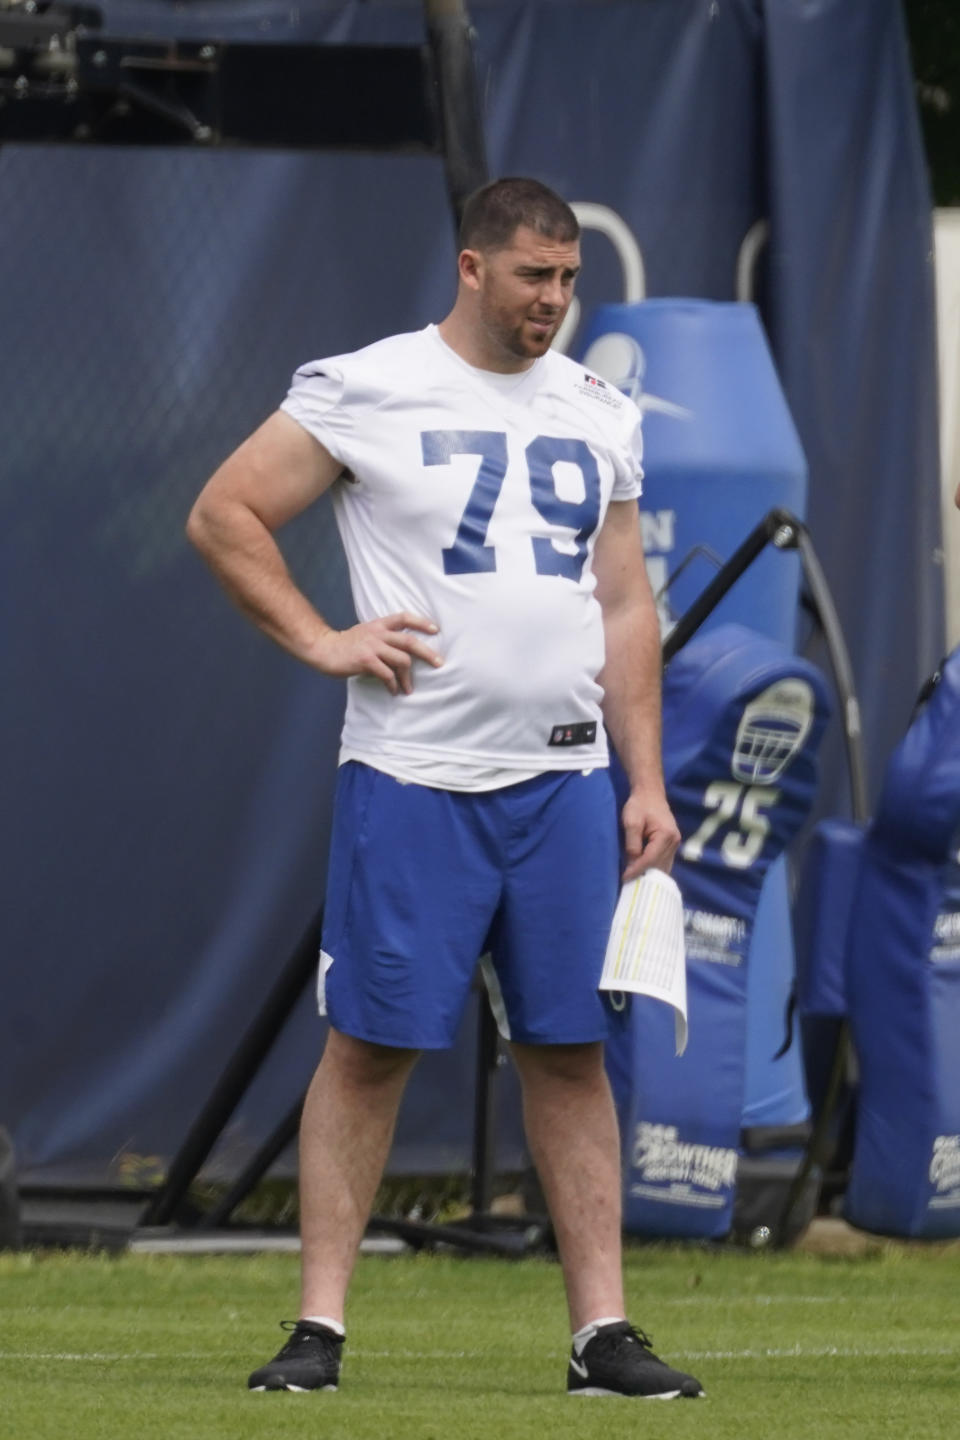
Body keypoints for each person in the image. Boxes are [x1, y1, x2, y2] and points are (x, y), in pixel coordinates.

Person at [186, 176, 703, 1401]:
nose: (555, 302)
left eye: (570, 279)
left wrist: (647, 781)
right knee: (368, 1050)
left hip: (568, 779)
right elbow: (225, 514)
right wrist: (323, 639)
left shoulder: (597, 408)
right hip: (416, 778)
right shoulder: (368, 383)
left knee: (572, 1051)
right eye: (535, 276)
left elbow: (626, 606)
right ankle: (320, 1328)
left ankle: (603, 1335)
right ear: (473, 268)